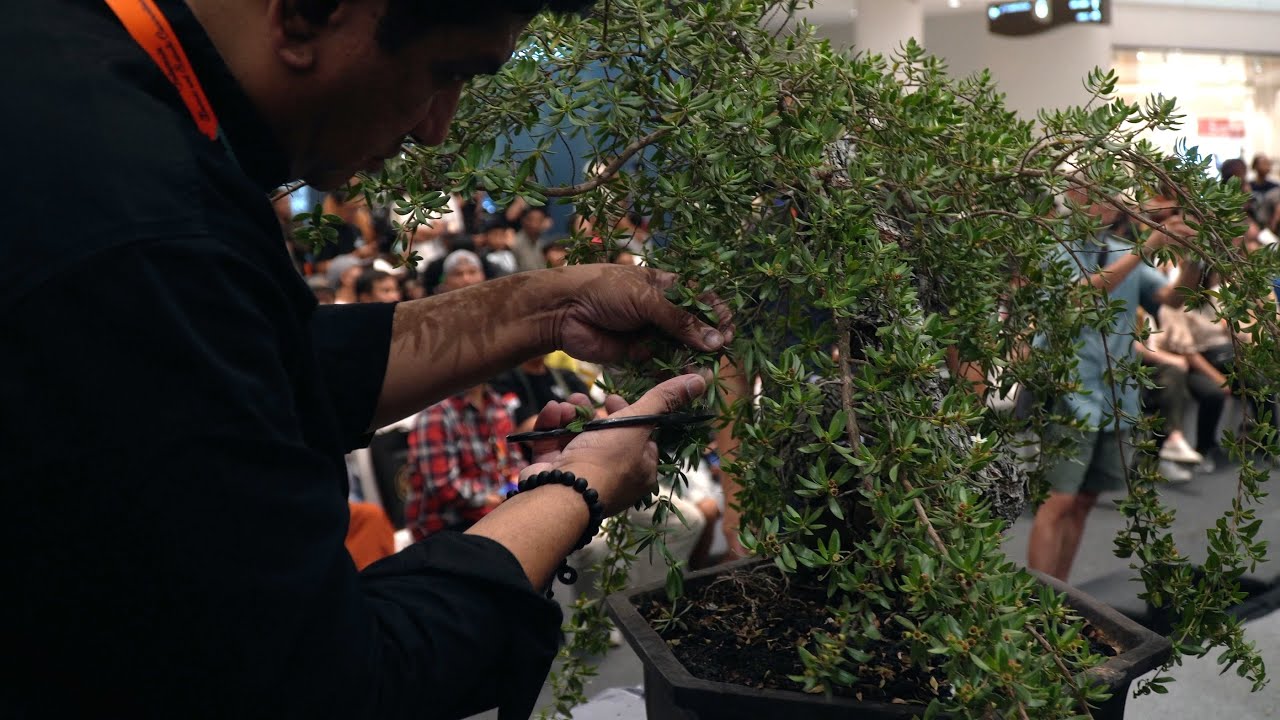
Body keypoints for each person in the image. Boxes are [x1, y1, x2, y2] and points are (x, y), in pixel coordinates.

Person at [1, 2, 733, 718]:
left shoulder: (63, 67)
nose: (436, 129)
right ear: (304, 15)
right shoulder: (144, 231)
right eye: (445, 73)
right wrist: (579, 483)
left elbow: (260, 366)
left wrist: (548, 307)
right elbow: (324, 684)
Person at [1026, 191, 1200, 582]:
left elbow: (1172, 300)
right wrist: (1147, 247)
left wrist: (1193, 257)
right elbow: (1081, 296)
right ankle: (1035, 606)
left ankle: (1061, 599)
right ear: (1073, 197)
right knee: (1058, 500)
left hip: (1116, 397)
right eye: (1096, 197)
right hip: (1069, 392)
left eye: (1110, 198)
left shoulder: (1123, 249)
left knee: (1085, 501)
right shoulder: (1056, 248)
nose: (1111, 206)